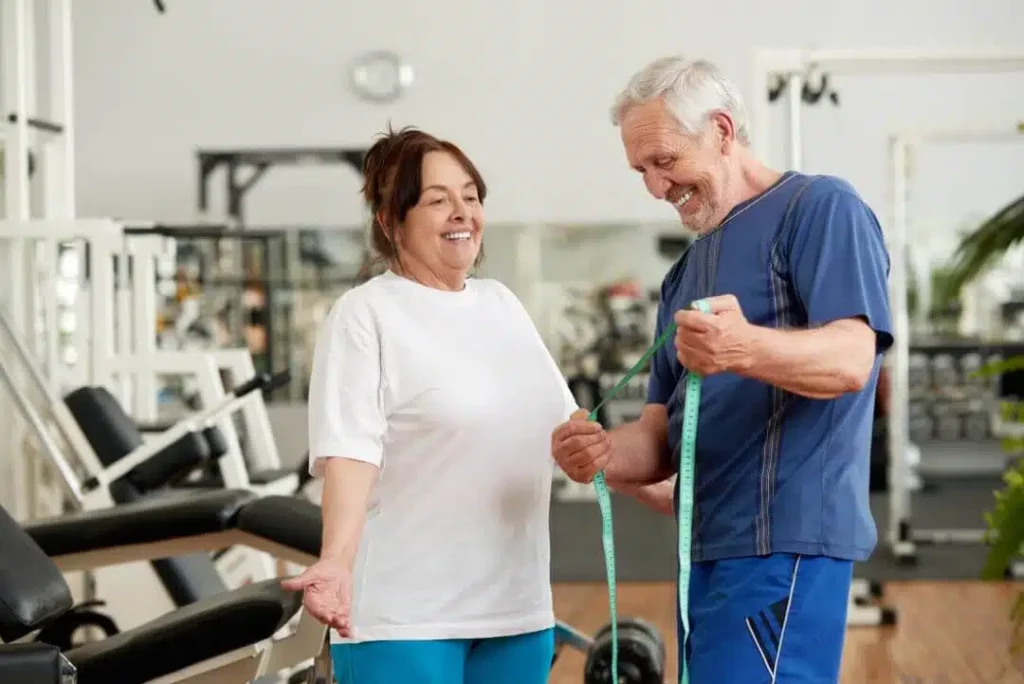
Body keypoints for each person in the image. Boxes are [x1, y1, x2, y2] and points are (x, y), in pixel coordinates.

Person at [551, 56, 893, 683]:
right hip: (703, 550)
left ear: (723, 131)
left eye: (665, 161)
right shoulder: (684, 274)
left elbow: (851, 359)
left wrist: (743, 349)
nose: (656, 187)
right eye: (641, 171)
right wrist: (601, 453)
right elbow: (658, 438)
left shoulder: (819, 209)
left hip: (783, 545)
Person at [282, 125, 579, 684]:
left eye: (470, 196)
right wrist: (336, 560)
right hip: (405, 618)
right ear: (391, 222)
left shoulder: (501, 304)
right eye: (437, 201)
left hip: (516, 610)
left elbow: (566, 430)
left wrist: (652, 479)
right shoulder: (364, 315)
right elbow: (351, 452)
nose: (461, 212)